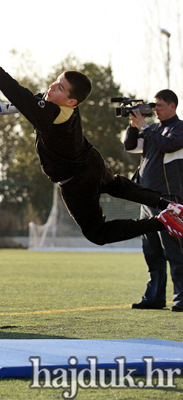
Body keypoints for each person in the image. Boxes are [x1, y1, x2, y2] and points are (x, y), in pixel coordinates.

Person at [0, 25, 183, 246]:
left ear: (71, 101)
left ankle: (162, 221)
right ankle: (168, 206)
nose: (52, 86)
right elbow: (32, 102)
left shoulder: (50, 113)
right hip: (92, 162)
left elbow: (19, 92)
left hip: (78, 182)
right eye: (57, 81)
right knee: (116, 185)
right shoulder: (65, 107)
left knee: (98, 234)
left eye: (60, 87)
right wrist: (8, 107)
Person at [124, 89, 183, 311]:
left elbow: (169, 145)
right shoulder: (153, 130)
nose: (154, 109)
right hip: (146, 197)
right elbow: (130, 146)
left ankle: (182, 297)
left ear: (172, 106)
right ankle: (155, 297)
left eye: (158, 105)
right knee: (152, 250)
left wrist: (145, 127)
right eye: (153, 105)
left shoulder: (179, 128)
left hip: (168, 197)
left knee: (175, 249)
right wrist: (133, 125)